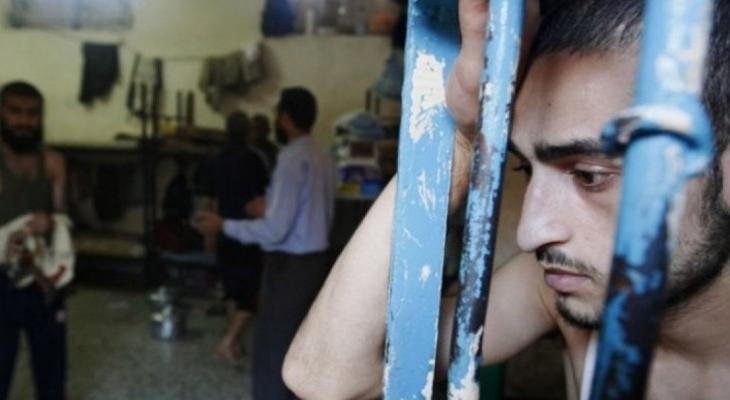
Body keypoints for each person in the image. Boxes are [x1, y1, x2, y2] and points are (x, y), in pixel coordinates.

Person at [282, 0, 730, 399]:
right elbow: (324, 378)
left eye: (590, 176)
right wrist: (462, 137)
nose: (530, 233)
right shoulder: (563, 291)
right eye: (524, 168)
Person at [195, 87, 335, 399]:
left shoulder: (291, 159)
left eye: (276, 114)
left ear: (285, 118)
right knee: (302, 342)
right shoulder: (323, 156)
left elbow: (275, 231)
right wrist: (269, 206)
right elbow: (306, 210)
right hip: (316, 262)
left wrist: (223, 225)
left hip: (291, 267)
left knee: (275, 346)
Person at [0, 81, 69, 400]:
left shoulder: (53, 163)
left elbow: (63, 222)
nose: (24, 121)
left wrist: (51, 222)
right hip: (2, 279)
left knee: (51, 367)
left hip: (43, 278)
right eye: (15, 112)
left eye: (32, 114)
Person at [203, 111, 269, 366]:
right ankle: (229, 341)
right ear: (248, 132)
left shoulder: (215, 159)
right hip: (246, 232)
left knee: (231, 289)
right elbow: (262, 200)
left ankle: (234, 342)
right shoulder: (255, 160)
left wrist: (210, 233)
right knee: (250, 294)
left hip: (221, 229)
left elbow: (209, 201)